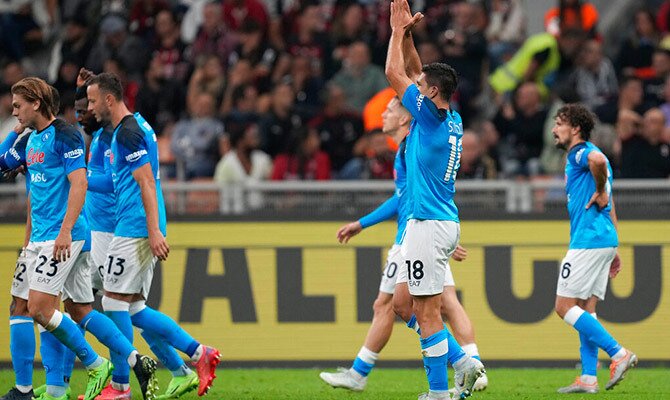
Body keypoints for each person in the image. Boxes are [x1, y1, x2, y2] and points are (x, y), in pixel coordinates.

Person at [319, 97, 488, 393]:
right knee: (426, 304)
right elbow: (406, 196)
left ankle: (462, 363)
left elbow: (405, 200)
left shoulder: (411, 146)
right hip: (425, 234)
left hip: (414, 237)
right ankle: (466, 362)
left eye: (389, 110)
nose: (382, 114)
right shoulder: (405, 149)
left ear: (402, 119)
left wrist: (363, 224)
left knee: (404, 306)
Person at [7, 77, 159, 400]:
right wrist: (15, 133)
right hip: (38, 239)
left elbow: (80, 184)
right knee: (77, 311)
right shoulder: (29, 140)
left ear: (35, 103)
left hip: (63, 237)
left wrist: (64, 232)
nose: (13, 111)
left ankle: (93, 364)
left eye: (18, 105)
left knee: (40, 308)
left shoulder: (65, 136)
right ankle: (134, 359)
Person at [86, 73, 221, 398]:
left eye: (92, 101)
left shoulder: (128, 133)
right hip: (137, 224)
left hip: (134, 227)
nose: (89, 108)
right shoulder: (135, 127)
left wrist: (153, 231)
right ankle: (199, 353)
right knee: (133, 308)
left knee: (112, 302)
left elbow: (146, 182)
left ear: (108, 99)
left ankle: (120, 386)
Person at [384, 1, 484, 399]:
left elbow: (395, 72)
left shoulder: (427, 118)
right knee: (403, 305)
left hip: (427, 223)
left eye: (421, 86)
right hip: (435, 222)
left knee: (427, 312)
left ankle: (439, 393)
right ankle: (463, 362)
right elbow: (412, 70)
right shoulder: (451, 116)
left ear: (432, 93)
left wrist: (393, 31)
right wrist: (408, 33)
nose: (415, 86)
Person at [551, 103, 637, 394]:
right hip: (604, 238)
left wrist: (599, 189)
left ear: (575, 128)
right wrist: (615, 247)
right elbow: (608, 203)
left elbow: (598, 160)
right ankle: (588, 377)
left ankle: (618, 353)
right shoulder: (583, 158)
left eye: (559, 124)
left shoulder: (580, 152)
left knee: (564, 308)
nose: (554, 130)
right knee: (587, 308)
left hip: (587, 241)